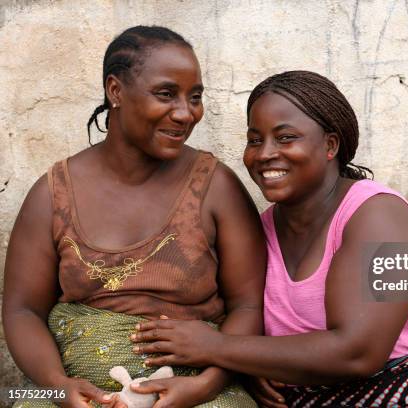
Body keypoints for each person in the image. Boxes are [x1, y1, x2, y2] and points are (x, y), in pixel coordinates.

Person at [129, 70, 408, 407]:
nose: (265, 154)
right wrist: (251, 365)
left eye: (286, 138)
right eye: (255, 140)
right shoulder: (260, 231)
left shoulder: (380, 217)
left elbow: (357, 352)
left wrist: (219, 349)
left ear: (330, 145)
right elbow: (248, 320)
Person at [2, 26, 264, 408]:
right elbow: (22, 310)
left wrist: (207, 386)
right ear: (115, 91)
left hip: (194, 389)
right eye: (166, 94)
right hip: (70, 390)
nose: (185, 113)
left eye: (195, 98)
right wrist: (56, 385)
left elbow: (249, 306)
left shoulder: (217, 187)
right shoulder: (53, 193)